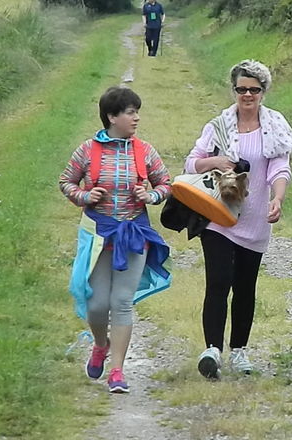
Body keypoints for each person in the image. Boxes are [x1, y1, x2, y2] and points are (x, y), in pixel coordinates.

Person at [184, 60, 292, 379]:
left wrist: (278, 197)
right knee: (219, 281)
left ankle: (239, 351)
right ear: (233, 90)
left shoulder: (275, 125)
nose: (247, 95)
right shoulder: (219, 125)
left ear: (264, 91)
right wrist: (216, 161)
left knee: (246, 286)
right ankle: (212, 350)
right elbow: (191, 163)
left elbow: (280, 168)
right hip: (218, 217)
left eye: (254, 89)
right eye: (241, 89)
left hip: (256, 218)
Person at [59, 86, 172, 393]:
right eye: (130, 112)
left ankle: (117, 371)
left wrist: (149, 195)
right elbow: (66, 181)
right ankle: (100, 344)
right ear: (112, 116)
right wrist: (84, 195)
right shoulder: (87, 150)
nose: (136, 118)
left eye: (137, 111)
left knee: (122, 302)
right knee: (96, 304)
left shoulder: (144, 150)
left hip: (134, 234)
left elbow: (166, 184)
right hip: (98, 234)